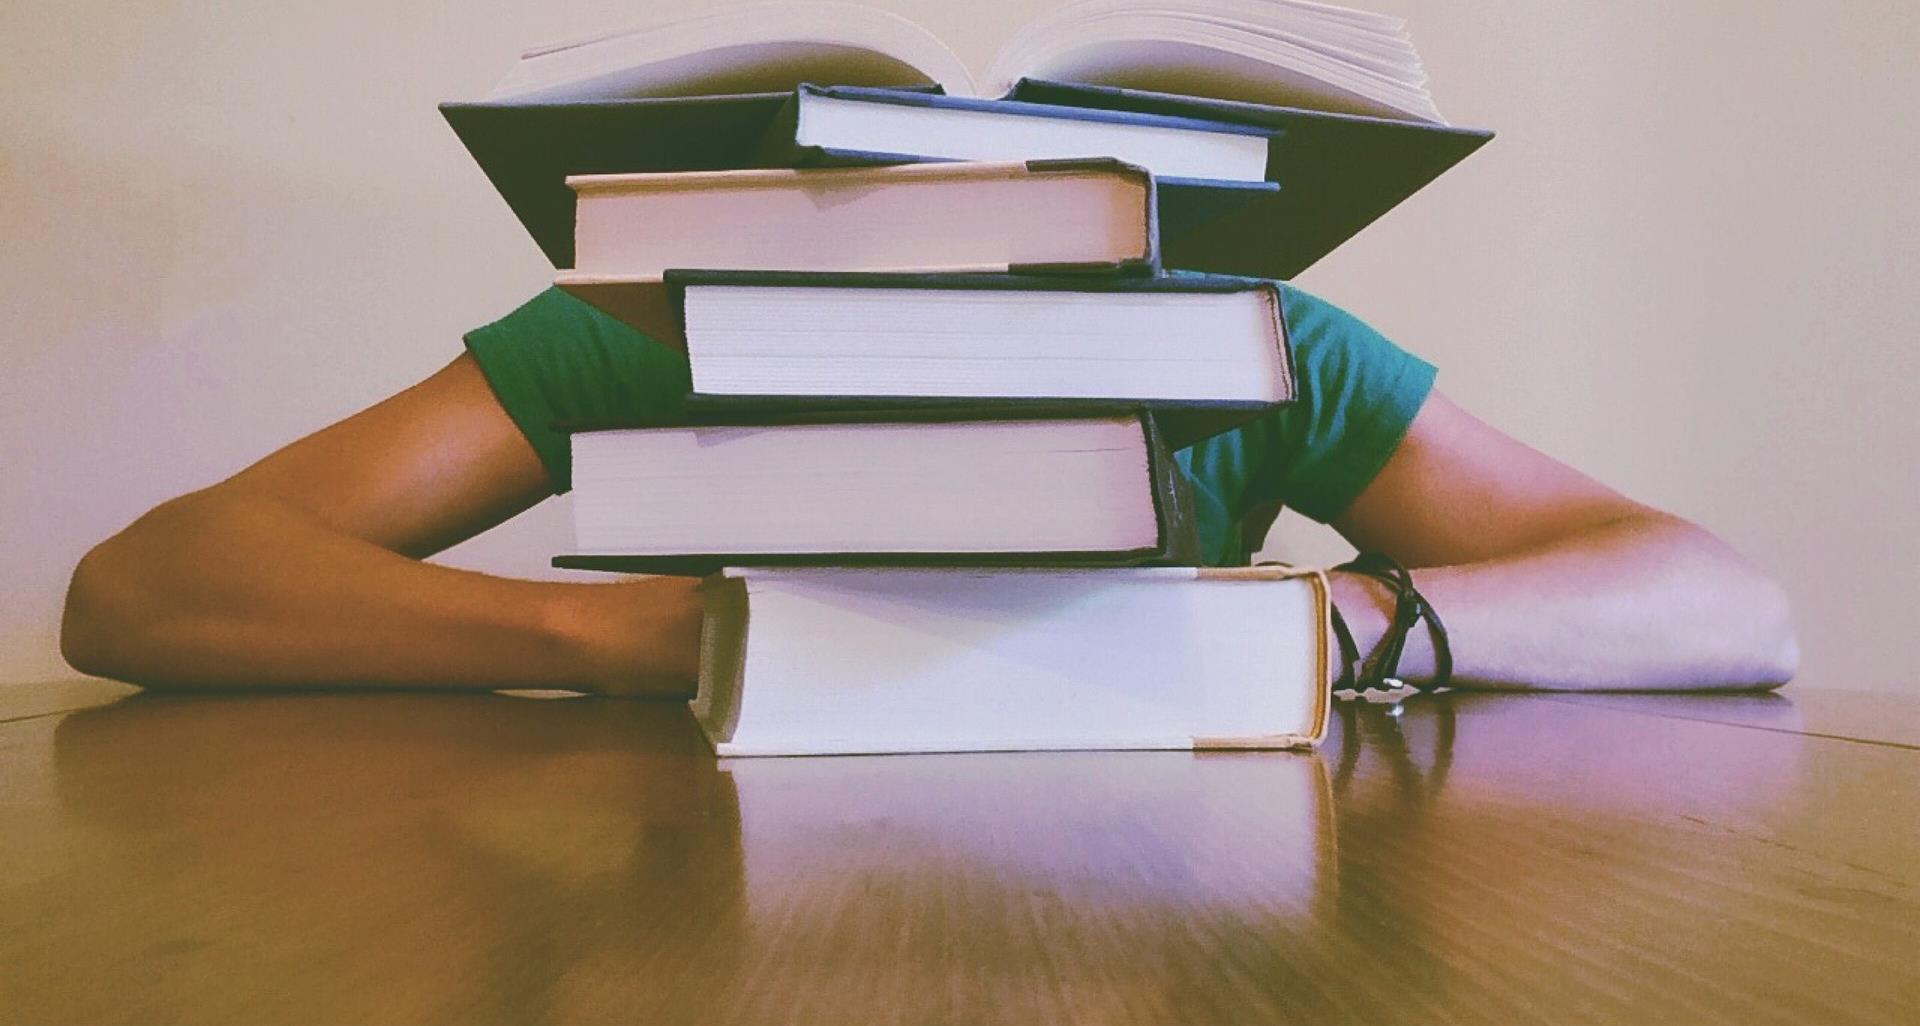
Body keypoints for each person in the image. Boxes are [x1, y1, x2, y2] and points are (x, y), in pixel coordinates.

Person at [58, 284, 1798, 695]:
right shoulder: (660, 319)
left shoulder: (1247, 345)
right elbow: (141, 586)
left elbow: (1726, 600)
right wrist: (654, 636)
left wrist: (1343, 620)